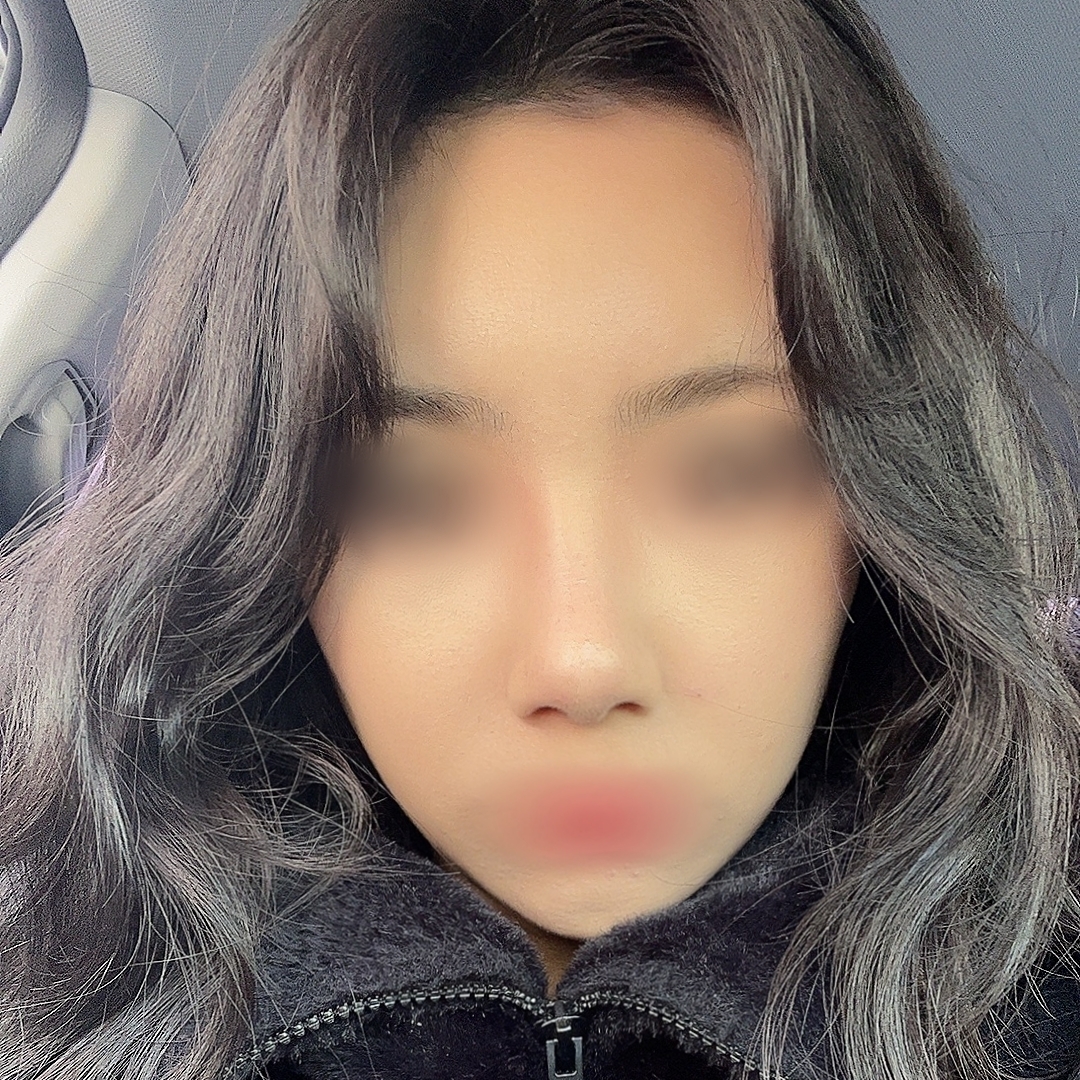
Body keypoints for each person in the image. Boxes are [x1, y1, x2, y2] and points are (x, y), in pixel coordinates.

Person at [2, 0, 1080, 1077]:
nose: (583, 664)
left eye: (727, 472)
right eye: (416, 494)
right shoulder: (68, 970)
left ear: (881, 503)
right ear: (266, 534)